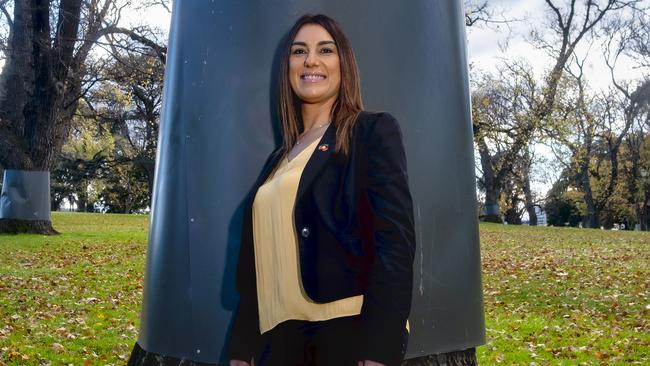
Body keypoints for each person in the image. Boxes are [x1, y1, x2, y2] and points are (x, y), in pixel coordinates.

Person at [228, 13, 415, 366]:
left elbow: (395, 243)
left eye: (325, 50)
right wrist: (242, 347)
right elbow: (260, 265)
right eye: (299, 52)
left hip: (343, 336)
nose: (310, 60)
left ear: (343, 64)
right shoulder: (277, 159)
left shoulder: (371, 132)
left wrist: (380, 349)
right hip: (276, 345)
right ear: (287, 69)